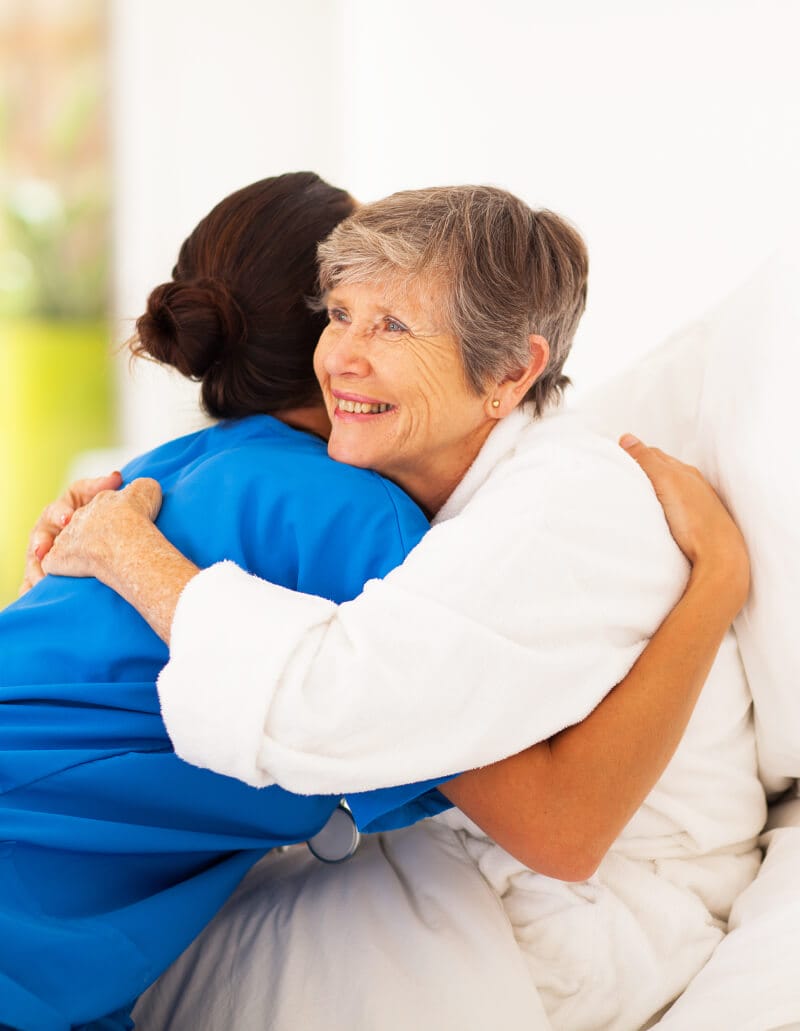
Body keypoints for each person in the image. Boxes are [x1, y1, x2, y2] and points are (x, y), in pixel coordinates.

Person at [41, 185, 763, 1029]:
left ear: (510, 371)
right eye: (340, 313)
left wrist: (128, 551)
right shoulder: (414, 479)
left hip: (578, 927)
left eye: (392, 326)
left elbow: (335, 703)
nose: (343, 354)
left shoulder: (561, 506)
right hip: (481, 867)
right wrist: (87, 521)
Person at [0, 172, 455, 1031]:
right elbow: (475, 768)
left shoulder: (157, 472)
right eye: (374, 305)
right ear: (332, 329)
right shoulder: (364, 519)